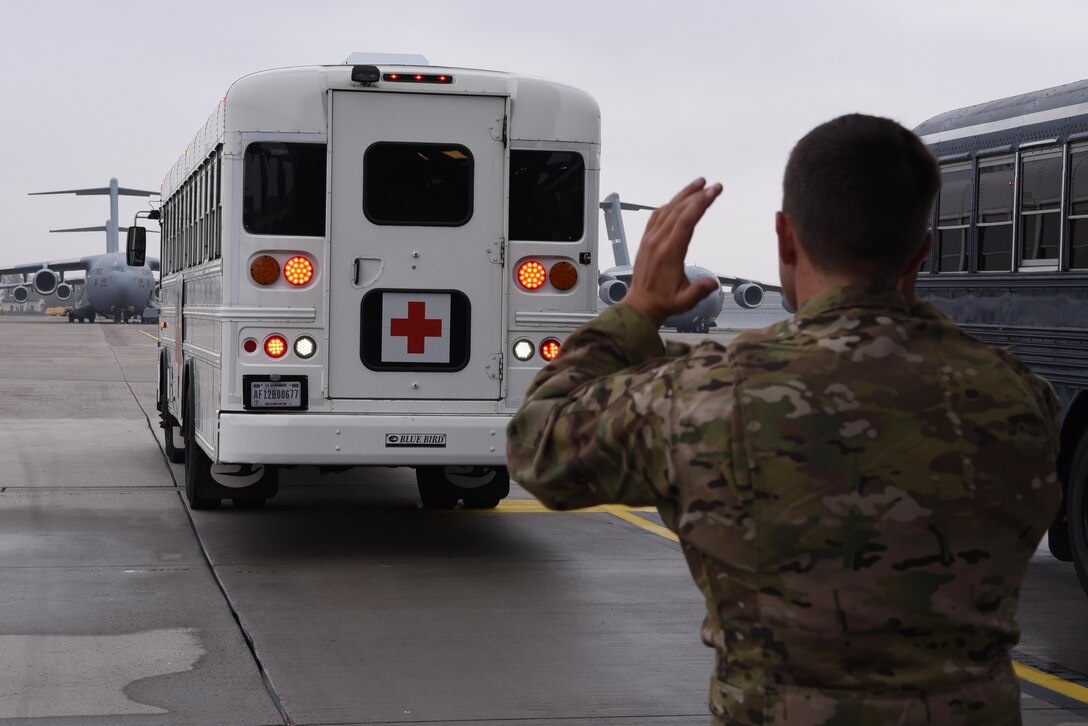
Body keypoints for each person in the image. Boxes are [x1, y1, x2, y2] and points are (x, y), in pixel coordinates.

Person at [506, 114, 1061, 725]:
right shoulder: (1019, 396)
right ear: (921, 250)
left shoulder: (708, 395)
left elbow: (539, 448)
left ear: (785, 239)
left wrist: (637, 309)